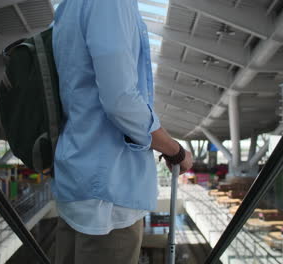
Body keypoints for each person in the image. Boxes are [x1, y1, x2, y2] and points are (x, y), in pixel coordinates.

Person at [52, 0, 193, 263]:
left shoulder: (67, 6)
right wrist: (175, 149)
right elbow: (121, 102)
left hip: (76, 182)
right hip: (109, 199)